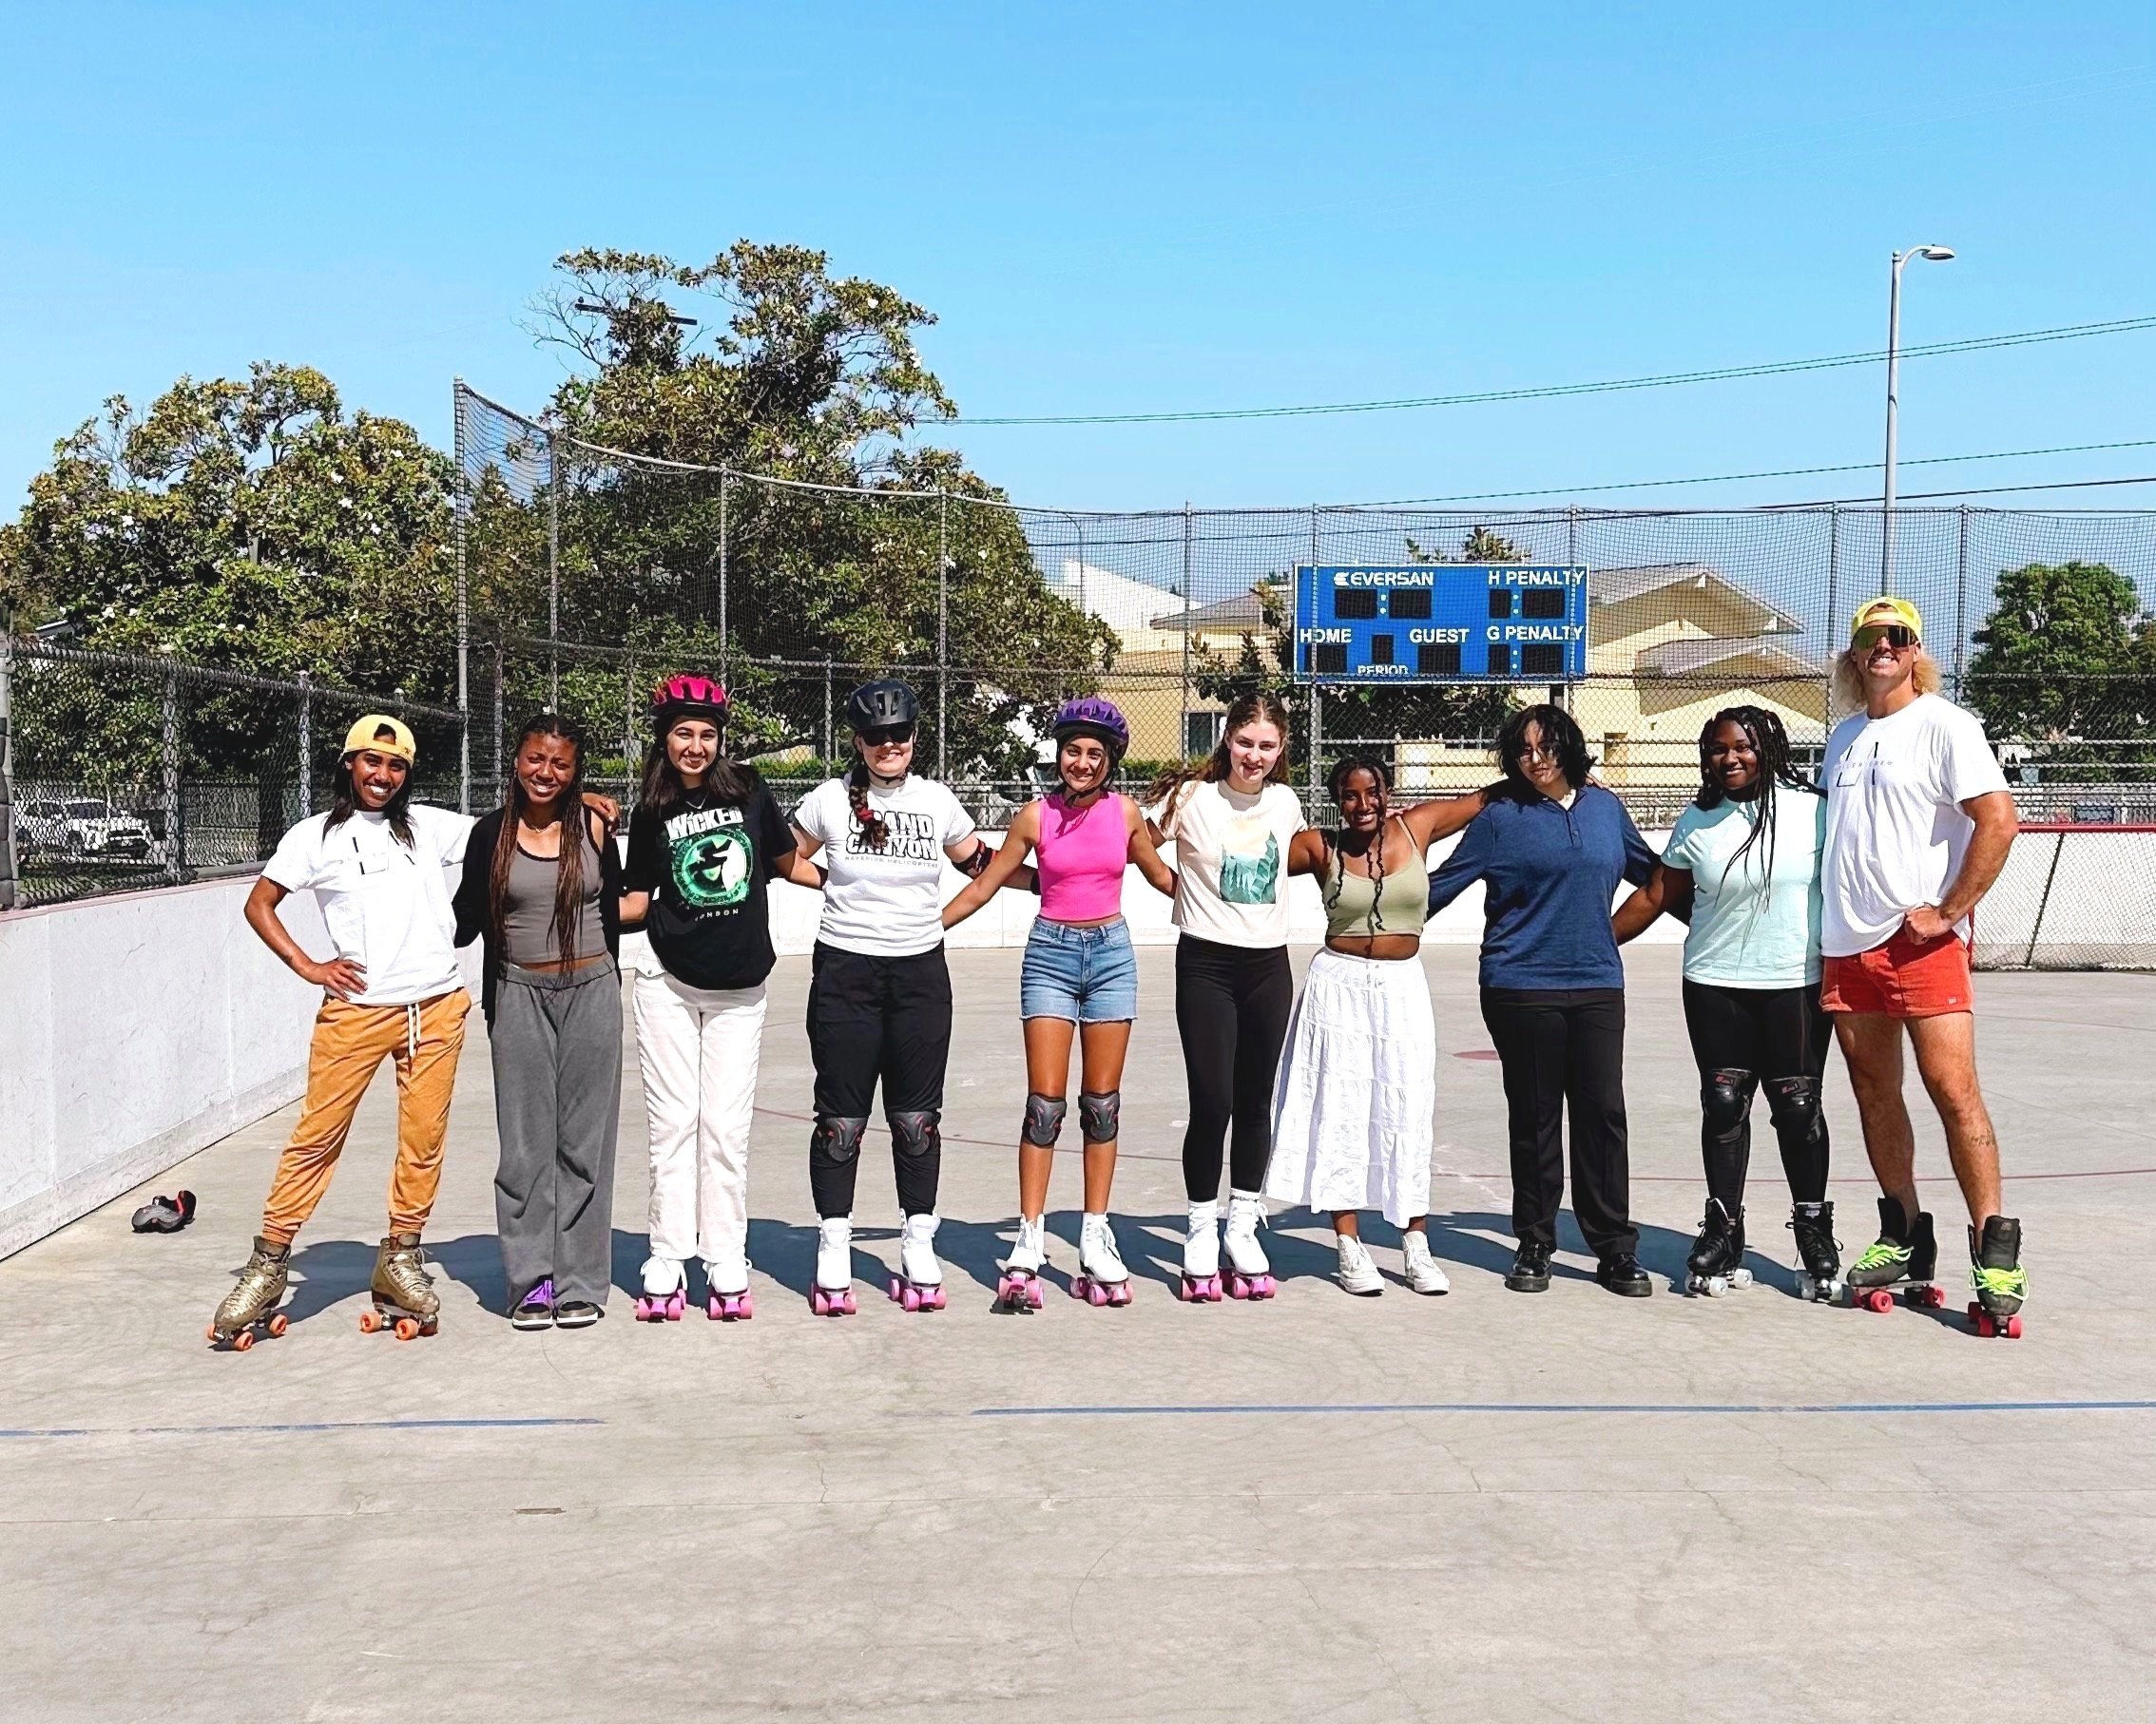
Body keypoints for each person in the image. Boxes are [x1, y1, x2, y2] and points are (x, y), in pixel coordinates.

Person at [208, 716, 474, 1348]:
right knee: (317, 1137)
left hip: (436, 1007)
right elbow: (259, 903)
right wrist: (308, 965)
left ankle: (401, 1257)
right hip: (356, 1012)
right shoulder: (315, 837)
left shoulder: (429, 826)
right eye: (371, 763)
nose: (382, 777)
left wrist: (581, 804)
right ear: (349, 765)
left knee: (423, 1139)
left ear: (407, 775)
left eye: (396, 767)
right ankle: (269, 1264)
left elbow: (512, 825)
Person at [1819, 597, 2026, 1334]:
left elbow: (1998, 820)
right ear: (1854, 655)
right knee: (1876, 1093)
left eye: (1897, 636)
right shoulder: (1842, 739)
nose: (1884, 647)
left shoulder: (1946, 724)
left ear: (1915, 651)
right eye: (1871, 637)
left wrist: (1946, 910)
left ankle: (1994, 1243)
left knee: (1952, 1089)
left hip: (1922, 944)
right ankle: (1904, 1230)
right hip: (1848, 946)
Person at [941, 697, 1177, 1310]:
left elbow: (1160, 875)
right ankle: (1030, 1234)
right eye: (1073, 750)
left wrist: (1228, 903)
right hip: (1049, 954)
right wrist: (927, 928)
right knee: (1044, 1106)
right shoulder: (1033, 817)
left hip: (1112, 956)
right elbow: (987, 883)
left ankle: (1095, 1232)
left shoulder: (1126, 814)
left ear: (1109, 761)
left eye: (1094, 754)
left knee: (1101, 1105)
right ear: (1060, 754)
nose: (1082, 762)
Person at [786, 679, 1010, 1315]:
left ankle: (918, 1238)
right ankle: (834, 1241)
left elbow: (979, 863)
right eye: (877, 737)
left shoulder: (937, 801)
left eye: (900, 735)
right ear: (858, 742)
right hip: (845, 972)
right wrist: (828, 880)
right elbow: (785, 856)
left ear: (915, 739)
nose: (890, 745)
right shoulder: (829, 799)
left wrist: (1053, 874)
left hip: (919, 975)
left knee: (916, 1120)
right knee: (841, 1121)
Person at [1426, 703, 1659, 1296]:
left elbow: (1654, 875)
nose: (1536, 758)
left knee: (1603, 1113)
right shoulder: (1501, 816)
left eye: (1547, 745)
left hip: (1598, 983)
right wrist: (1365, 908)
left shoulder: (1606, 807)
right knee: (1534, 1116)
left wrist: (1720, 913)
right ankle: (1535, 1241)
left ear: (1570, 746)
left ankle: (1613, 1249)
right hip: (1519, 985)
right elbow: (1440, 887)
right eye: (1524, 749)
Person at [1612, 706, 1838, 1299]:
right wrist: (1595, 939)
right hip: (1713, 981)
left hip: (1794, 981)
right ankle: (1724, 1226)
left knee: (1797, 1105)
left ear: (1769, 748)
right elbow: (1660, 891)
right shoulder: (1699, 819)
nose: (1729, 758)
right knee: (1723, 1101)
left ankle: (1813, 1225)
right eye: (1716, 749)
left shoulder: (1814, 810)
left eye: (1742, 746)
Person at [1265, 755, 1490, 1296]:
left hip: (1400, 987)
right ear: (1335, 800)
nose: (1362, 804)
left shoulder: (1419, 826)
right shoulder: (1320, 847)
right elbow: (1250, 840)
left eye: (1372, 792)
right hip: (1336, 985)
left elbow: (1491, 797)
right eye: (1349, 795)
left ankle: (1415, 1242)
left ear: (1387, 792)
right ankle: (1349, 1245)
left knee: (1406, 1109)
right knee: (1338, 1111)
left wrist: (1571, 774)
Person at [619, 675, 796, 1323]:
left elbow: (784, 861)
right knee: (673, 1126)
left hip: (741, 987)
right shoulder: (650, 807)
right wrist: (571, 906)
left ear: (720, 741)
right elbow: (637, 899)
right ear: (664, 739)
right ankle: (667, 1254)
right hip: (665, 981)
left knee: (724, 1128)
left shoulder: (749, 789)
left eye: (706, 735)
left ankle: (725, 1254)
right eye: (682, 734)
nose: (694, 746)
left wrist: (857, 882)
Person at [453, 713, 624, 1331]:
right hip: (518, 994)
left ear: (576, 771)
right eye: (534, 758)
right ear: (516, 760)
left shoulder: (596, 826)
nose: (544, 772)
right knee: (525, 1150)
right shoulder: (491, 834)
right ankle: (531, 1282)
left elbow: (619, 901)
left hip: (593, 990)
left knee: (585, 1148)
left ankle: (580, 1282)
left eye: (559, 763)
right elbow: (463, 917)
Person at [1145, 692, 1307, 1301]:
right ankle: (1199, 1228)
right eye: (1245, 743)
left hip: (1268, 967)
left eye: (1267, 746)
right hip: (1206, 965)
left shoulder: (1287, 803)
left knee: (1254, 1102)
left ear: (1281, 748)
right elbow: (1140, 839)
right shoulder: (1192, 798)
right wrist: (1176, 890)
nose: (1254, 757)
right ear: (1226, 740)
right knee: (1211, 1101)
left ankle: (1243, 1223)